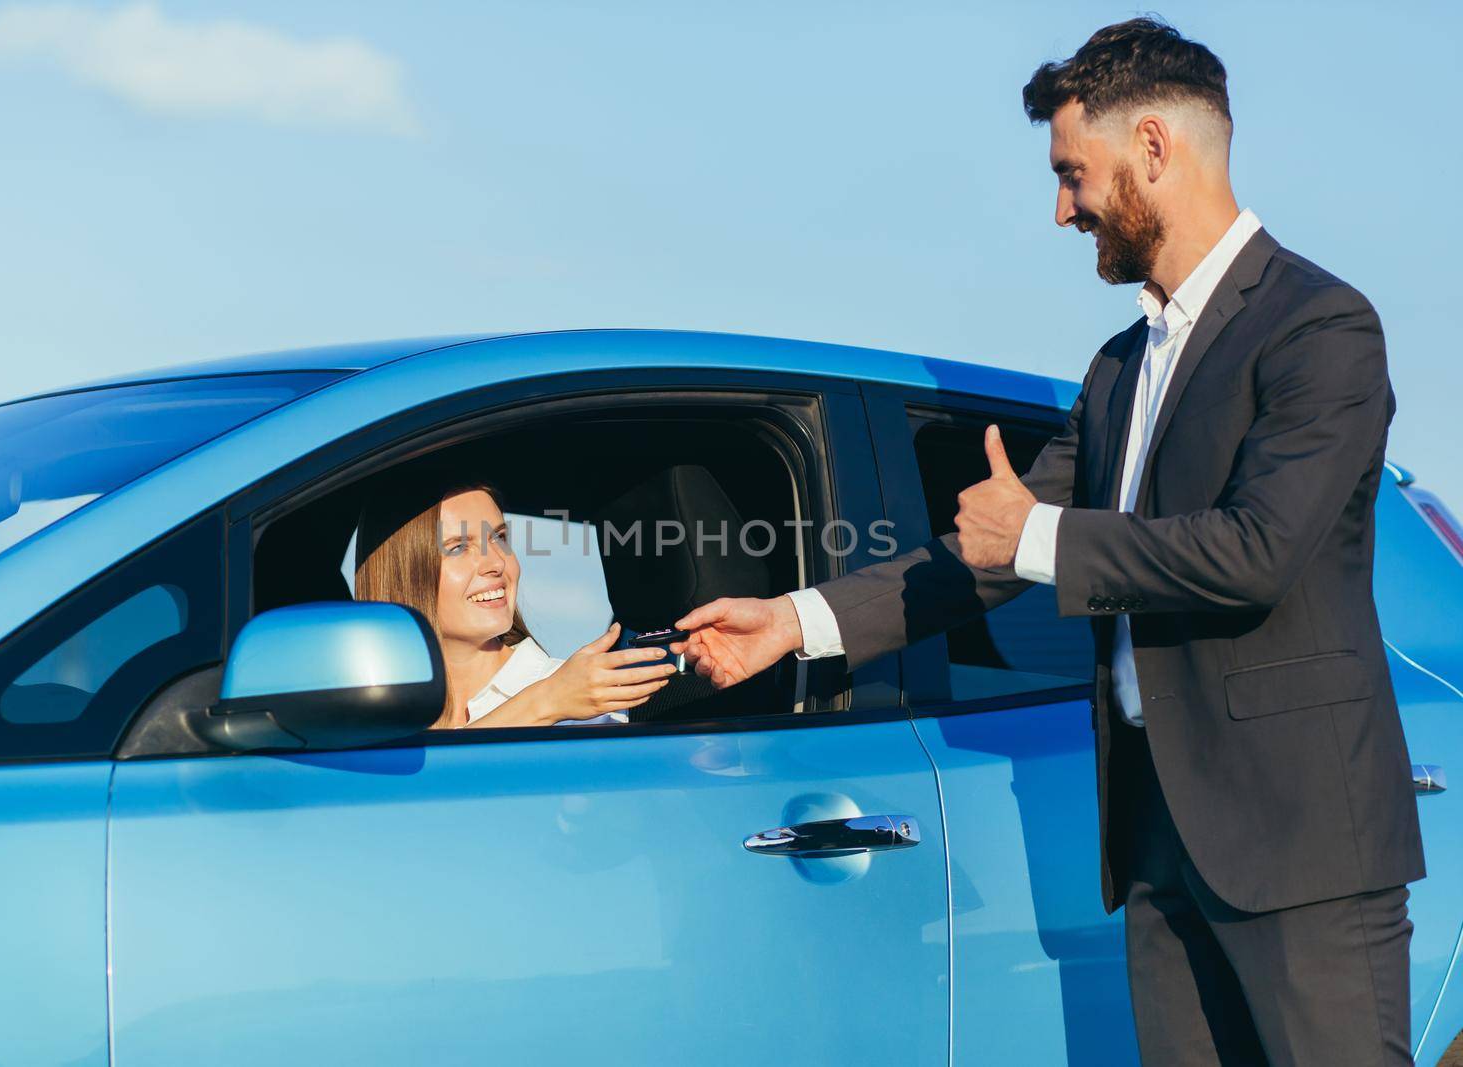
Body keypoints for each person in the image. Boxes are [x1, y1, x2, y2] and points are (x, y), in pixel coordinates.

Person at [672, 18, 1421, 1066]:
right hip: (1158, 839)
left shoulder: (1320, 326)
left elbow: (1256, 547)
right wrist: (793, 623)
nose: (1061, 207)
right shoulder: (1117, 368)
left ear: (1153, 148)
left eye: (1073, 173)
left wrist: (1040, 535)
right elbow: (990, 552)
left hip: (1298, 845)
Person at [356, 481, 674, 728]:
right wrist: (541, 703)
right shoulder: (366, 718)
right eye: (458, 548)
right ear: (404, 573)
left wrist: (549, 699)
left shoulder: (586, 705)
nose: (496, 562)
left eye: (500, 538)